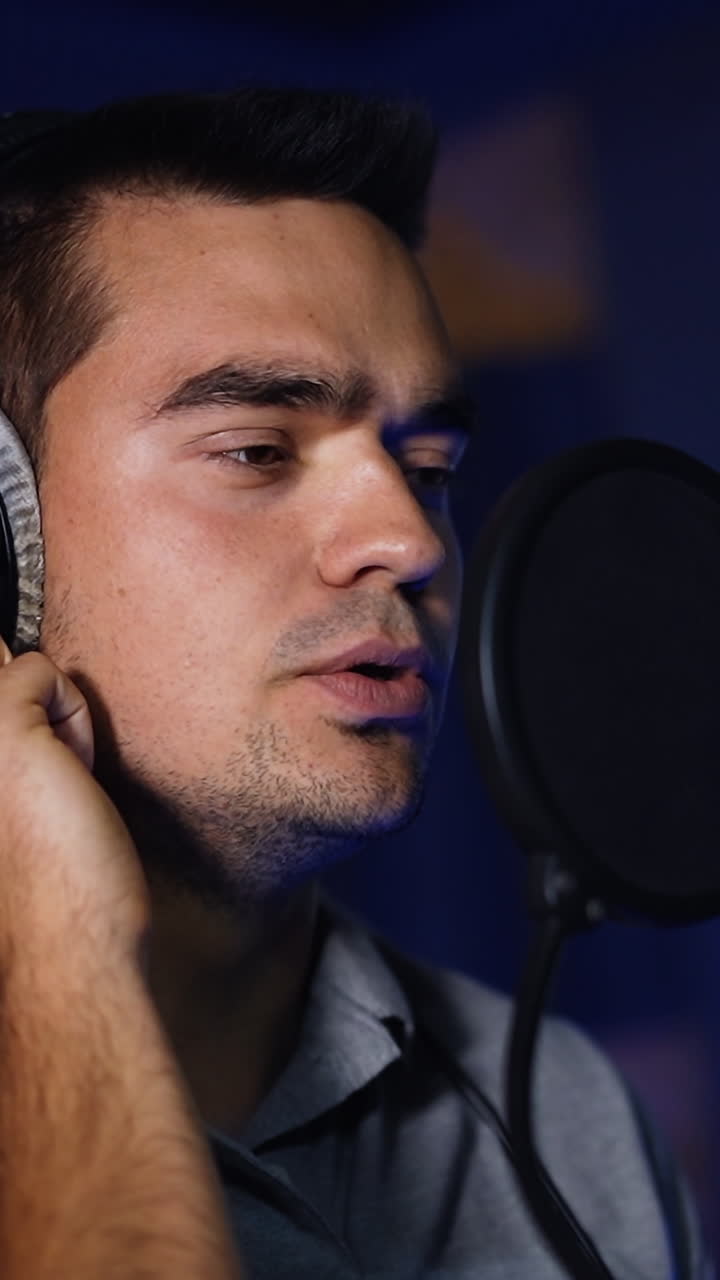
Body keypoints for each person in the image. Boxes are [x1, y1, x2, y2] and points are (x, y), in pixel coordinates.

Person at [0, 88, 710, 1279]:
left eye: (428, 466)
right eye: (258, 450)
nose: (412, 538)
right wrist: (58, 977)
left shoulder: (568, 1118)